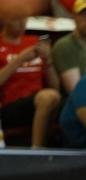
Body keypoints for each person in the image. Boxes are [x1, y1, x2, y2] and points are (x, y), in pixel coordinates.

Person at [0, 16, 61, 148]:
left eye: (24, 18)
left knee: (52, 97)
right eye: (15, 18)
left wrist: (48, 59)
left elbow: (55, 87)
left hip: (38, 102)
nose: (21, 22)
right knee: (47, 96)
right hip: (8, 106)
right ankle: (37, 150)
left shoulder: (35, 42)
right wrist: (19, 60)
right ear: (4, 18)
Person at [51, 0, 86, 94]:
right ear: (74, 16)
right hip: (80, 100)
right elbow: (75, 91)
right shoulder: (64, 46)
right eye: (83, 14)